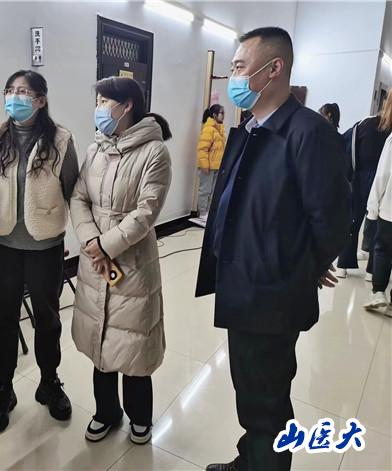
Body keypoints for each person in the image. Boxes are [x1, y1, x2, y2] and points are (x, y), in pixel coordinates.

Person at [195, 27, 350, 471]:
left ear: (274, 69)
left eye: (240, 67)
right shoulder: (251, 129)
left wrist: (302, 266)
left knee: (266, 403)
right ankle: (250, 459)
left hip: (271, 295)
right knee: (251, 390)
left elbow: (332, 220)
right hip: (242, 285)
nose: (233, 77)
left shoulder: (308, 133)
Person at [70, 76, 172, 445]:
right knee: (100, 342)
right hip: (94, 259)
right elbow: (79, 197)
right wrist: (90, 241)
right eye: (97, 101)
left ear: (126, 105)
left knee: (133, 343)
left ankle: (139, 417)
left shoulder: (154, 152)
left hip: (131, 262)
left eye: (103, 101)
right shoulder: (96, 148)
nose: (98, 108)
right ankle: (106, 412)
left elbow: (147, 211)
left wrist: (107, 245)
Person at [0, 70, 78, 433]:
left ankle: (49, 382)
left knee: (47, 318)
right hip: (5, 245)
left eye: (23, 91)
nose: (15, 97)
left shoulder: (61, 139)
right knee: (5, 319)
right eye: (10, 90)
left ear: (40, 100)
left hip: (45, 246)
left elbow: (73, 190)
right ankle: (4, 388)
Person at [336, 93, 392, 279]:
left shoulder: (366, 123)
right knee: (379, 225)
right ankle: (372, 271)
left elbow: (348, 146)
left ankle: (343, 265)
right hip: (386, 182)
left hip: (360, 177)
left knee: (352, 221)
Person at [363, 107, 392, 316]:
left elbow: (383, 174)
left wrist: (372, 208)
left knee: (382, 249)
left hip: (389, 209)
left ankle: (379, 292)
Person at [197, 104, 226, 216]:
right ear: (214, 115)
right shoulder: (208, 129)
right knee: (205, 191)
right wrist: (204, 165)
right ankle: (202, 214)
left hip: (217, 166)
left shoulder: (220, 129)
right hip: (208, 167)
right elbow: (202, 149)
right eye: (221, 113)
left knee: (214, 192)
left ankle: (209, 214)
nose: (223, 115)